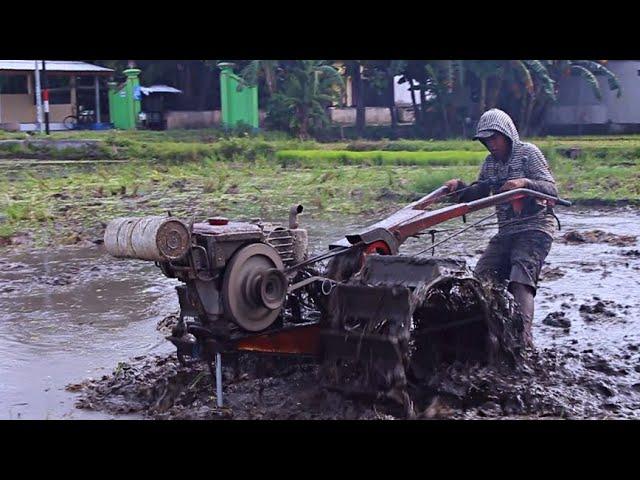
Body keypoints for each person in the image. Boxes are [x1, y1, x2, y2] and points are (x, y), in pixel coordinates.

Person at [444, 108, 559, 346]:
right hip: (506, 231)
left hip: (535, 227)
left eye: (494, 138)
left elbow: (551, 190)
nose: (491, 144)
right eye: (486, 140)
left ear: (508, 135)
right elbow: (479, 193)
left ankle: (523, 341)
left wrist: (524, 183)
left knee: (520, 275)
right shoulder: (490, 164)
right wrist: (459, 188)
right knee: (481, 279)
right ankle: (489, 335)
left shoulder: (528, 154)